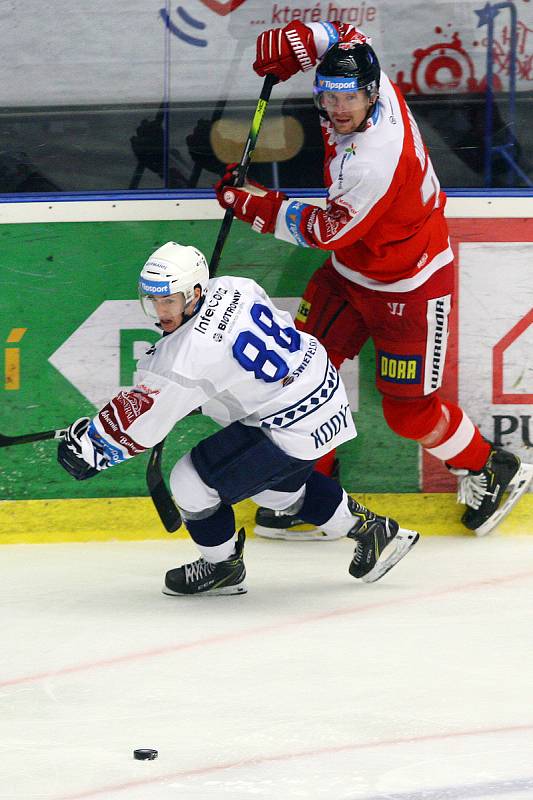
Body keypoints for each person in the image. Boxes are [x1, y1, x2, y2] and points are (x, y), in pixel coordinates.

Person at [214, 20, 533, 539]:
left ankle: (489, 466)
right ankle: (309, 490)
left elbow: (326, 229)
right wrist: (298, 38)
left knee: (409, 415)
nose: (339, 110)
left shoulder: (375, 159)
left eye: (350, 99)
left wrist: (253, 204)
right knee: (298, 377)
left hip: (409, 286)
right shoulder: (363, 76)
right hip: (350, 273)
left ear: (371, 93)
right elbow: (344, 33)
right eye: (329, 95)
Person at [56, 241, 419, 595]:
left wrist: (90, 446)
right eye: (153, 300)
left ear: (195, 293)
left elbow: (140, 424)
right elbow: (229, 359)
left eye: (169, 300)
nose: (161, 311)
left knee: (190, 482)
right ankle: (371, 529)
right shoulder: (234, 286)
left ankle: (222, 567)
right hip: (320, 386)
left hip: (288, 422)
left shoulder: (183, 360)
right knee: (276, 493)